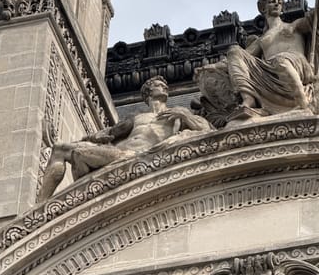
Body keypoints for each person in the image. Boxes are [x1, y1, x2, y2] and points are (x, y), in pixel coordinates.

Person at [39, 76, 212, 200]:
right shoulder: (136, 116)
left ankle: (82, 188)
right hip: (119, 153)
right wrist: (88, 138)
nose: (165, 87)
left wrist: (184, 116)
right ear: (149, 93)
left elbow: (206, 130)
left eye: (165, 86)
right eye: (160, 85)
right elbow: (107, 134)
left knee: (78, 156)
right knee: (60, 148)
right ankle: (40, 207)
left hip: (139, 157)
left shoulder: (179, 114)